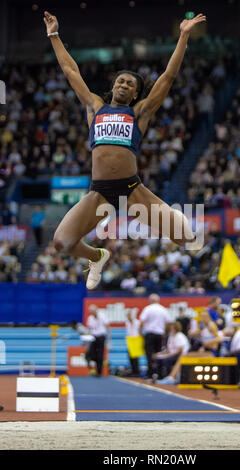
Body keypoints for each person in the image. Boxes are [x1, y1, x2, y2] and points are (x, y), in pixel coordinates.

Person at [43, 11, 206, 291]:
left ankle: (170, 216)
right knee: (62, 242)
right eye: (121, 81)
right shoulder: (95, 107)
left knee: (186, 237)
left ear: (135, 94)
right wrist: (54, 35)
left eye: (130, 84)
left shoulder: (140, 112)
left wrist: (184, 35)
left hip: (132, 191)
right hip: (99, 193)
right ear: (113, 86)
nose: (124, 84)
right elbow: (71, 71)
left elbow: (168, 77)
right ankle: (97, 256)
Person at [139, 294, 171, 378]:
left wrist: (140, 333)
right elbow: (168, 323)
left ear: (150, 300)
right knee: (159, 354)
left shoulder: (148, 309)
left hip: (150, 334)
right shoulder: (163, 309)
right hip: (159, 334)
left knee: (149, 354)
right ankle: (160, 373)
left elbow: (142, 322)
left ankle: (150, 374)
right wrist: (165, 333)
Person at [86, 304, 111, 377]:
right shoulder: (90, 318)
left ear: (96, 310)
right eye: (90, 311)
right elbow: (89, 329)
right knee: (90, 354)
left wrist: (109, 338)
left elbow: (107, 326)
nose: (91, 312)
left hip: (101, 337)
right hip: (93, 337)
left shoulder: (102, 316)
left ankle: (99, 372)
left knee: (100, 355)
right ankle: (93, 370)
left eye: (92, 311)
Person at [125, 311, 141, 377]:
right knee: (130, 356)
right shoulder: (127, 323)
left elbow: (139, 331)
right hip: (130, 340)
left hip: (136, 339)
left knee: (135, 357)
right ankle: (133, 370)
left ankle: (136, 371)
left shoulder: (137, 322)